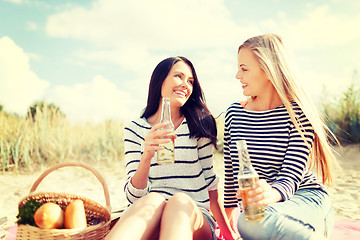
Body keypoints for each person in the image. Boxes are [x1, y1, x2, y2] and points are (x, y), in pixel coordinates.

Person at [106, 56, 238, 240]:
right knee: (154, 199)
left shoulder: (200, 124)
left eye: (190, 81)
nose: (186, 84)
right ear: (160, 81)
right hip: (150, 215)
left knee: (178, 200)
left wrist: (228, 232)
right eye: (179, 76)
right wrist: (147, 155)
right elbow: (134, 198)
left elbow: (210, 183)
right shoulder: (135, 129)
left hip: (193, 216)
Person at [223, 34, 339, 240]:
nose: (237, 76)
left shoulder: (298, 114)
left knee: (252, 222)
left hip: (305, 200)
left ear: (268, 70)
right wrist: (230, 211)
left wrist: (270, 194)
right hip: (266, 212)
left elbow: (290, 177)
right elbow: (232, 171)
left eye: (244, 69)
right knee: (251, 221)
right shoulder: (234, 113)